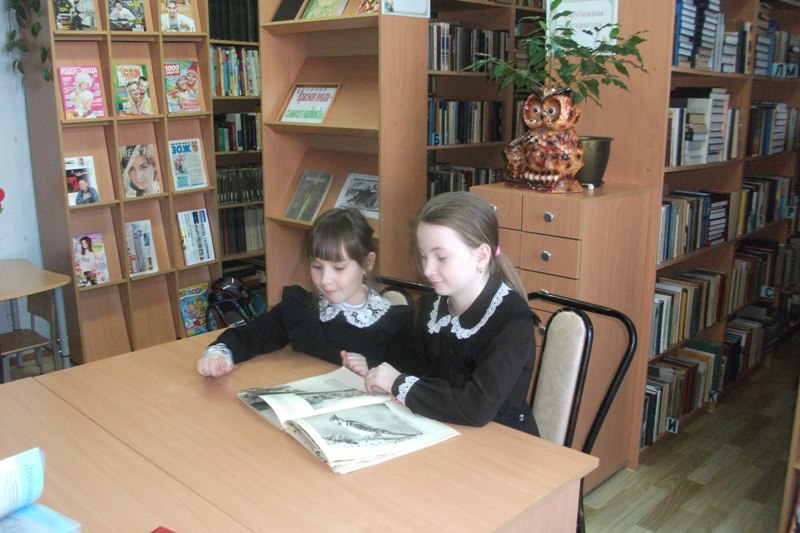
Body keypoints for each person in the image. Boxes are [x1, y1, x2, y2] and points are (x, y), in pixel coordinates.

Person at [342, 191, 540, 436]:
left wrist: (398, 383)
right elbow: (415, 369)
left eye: (441, 257)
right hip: (441, 428)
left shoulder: (512, 321)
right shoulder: (431, 305)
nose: (428, 270)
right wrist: (374, 369)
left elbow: (477, 406)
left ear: (481, 256)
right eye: (424, 256)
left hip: (502, 439)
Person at [196, 207, 415, 378]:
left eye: (339, 268)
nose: (325, 280)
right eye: (317, 266)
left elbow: (412, 383)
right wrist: (219, 353)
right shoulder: (303, 307)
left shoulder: (395, 325)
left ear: (367, 263)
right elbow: (253, 335)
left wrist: (373, 371)